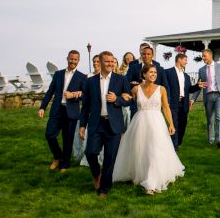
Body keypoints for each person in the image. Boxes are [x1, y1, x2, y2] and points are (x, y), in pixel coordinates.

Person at [113, 64, 185, 194]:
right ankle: (139, 173)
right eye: (151, 72)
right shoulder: (135, 89)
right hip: (140, 123)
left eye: (155, 73)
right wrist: (122, 98)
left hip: (157, 123)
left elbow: (166, 107)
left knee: (154, 149)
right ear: (144, 74)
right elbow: (128, 101)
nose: (153, 74)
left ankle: (151, 182)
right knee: (140, 149)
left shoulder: (161, 89)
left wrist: (171, 124)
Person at [79, 51, 132, 198]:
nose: (110, 64)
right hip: (96, 123)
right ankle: (96, 174)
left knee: (110, 158)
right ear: (101, 62)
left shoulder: (120, 80)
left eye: (112, 61)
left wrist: (117, 99)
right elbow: (86, 106)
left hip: (114, 124)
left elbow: (129, 99)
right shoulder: (90, 82)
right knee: (90, 152)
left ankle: (104, 188)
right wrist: (82, 125)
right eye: (107, 61)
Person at [38, 50, 86, 172]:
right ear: (67, 59)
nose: (73, 61)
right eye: (71, 59)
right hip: (57, 110)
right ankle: (58, 157)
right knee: (49, 135)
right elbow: (50, 91)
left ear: (78, 61)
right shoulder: (58, 74)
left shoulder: (81, 77)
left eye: (75, 59)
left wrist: (73, 95)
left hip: (72, 112)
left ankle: (65, 164)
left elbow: (85, 95)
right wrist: (42, 107)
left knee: (68, 139)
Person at [163, 53, 202, 150]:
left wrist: (197, 86)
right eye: (185, 60)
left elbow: (189, 89)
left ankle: (179, 142)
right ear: (179, 60)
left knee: (183, 124)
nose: (187, 62)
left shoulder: (187, 76)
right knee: (174, 124)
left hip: (184, 104)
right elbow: (165, 88)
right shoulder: (168, 72)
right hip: (173, 103)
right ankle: (174, 147)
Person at [126, 46, 165, 116]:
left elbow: (165, 85)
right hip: (137, 106)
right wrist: (133, 84)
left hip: (155, 107)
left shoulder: (160, 69)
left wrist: (166, 102)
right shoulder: (133, 68)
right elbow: (125, 82)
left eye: (148, 54)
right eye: (144, 54)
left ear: (152, 55)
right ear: (141, 55)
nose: (146, 56)